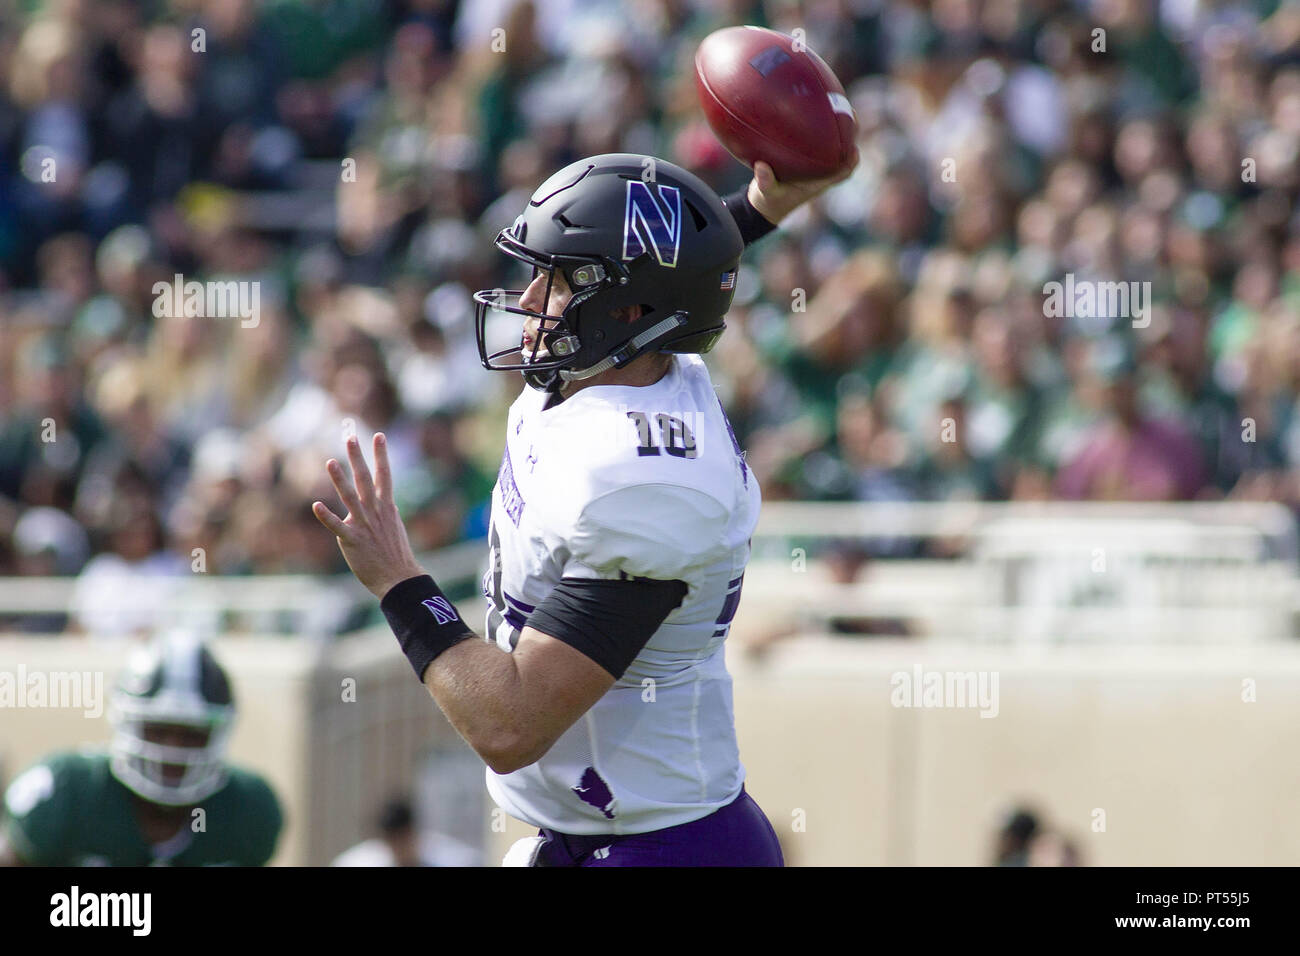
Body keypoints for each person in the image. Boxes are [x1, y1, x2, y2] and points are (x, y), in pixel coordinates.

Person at [313, 152, 855, 866]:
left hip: (659, 849)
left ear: (623, 309)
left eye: (560, 279)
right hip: (602, 833)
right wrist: (758, 206)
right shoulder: (634, 356)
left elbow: (508, 725)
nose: (531, 298)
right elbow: (671, 274)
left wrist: (400, 583)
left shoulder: (645, 485)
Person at [0, 632, 282, 866]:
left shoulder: (247, 809)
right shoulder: (66, 793)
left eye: (191, 734)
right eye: (158, 730)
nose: (173, 749)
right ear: (126, 724)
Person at [331, 797, 478, 867]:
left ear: (412, 833)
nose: (397, 846)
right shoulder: (358, 862)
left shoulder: (451, 859)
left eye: (401, 838)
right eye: (391, 839)